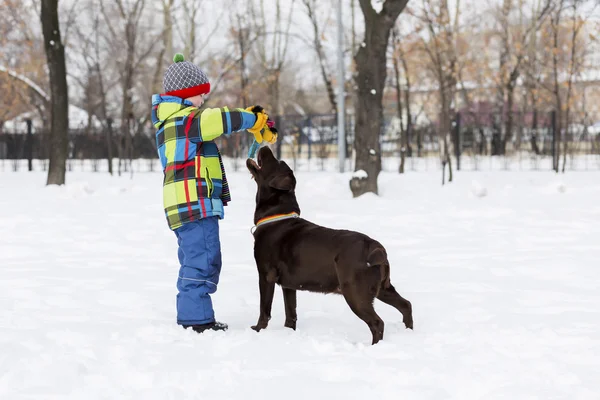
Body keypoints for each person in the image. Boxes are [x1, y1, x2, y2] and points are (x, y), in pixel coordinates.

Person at [151, 53, 277, 333]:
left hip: (182, 205)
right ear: (184, 96)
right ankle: (197, 321)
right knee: (203, 261)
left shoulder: (169, 123)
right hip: (194, 204)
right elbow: (220, 120)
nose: (202, 102)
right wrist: (253, 119)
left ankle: (194, 315)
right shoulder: (185, 121)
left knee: (195, 259)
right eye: (199, 96)